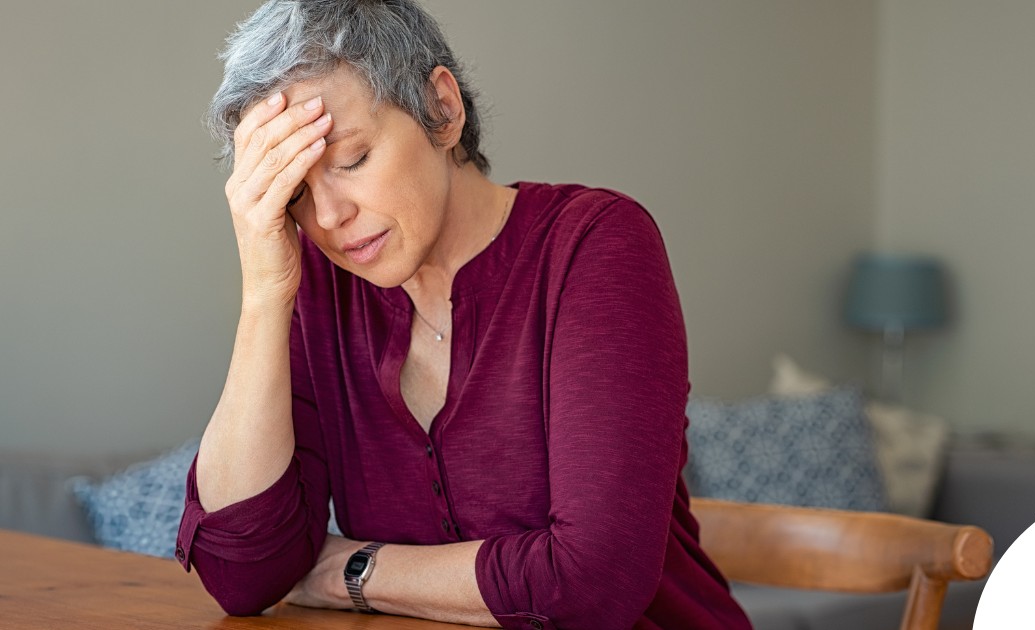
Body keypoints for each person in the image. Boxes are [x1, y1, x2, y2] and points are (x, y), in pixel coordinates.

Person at [176, 2, 752, 628]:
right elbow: (244, 577)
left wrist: (351, 573)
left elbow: (594, 580)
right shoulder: (319, 286)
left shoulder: (595, 246)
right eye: (296, 193)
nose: (331, 217)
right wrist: (264, 291)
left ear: (442, 110)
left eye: (350, 160)